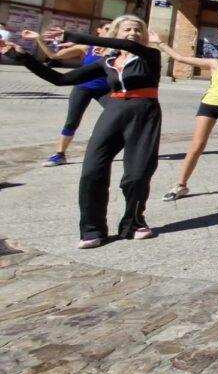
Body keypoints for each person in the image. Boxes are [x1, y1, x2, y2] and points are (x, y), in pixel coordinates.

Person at [1, 17, 162, 248]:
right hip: (114, 111)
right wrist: (22, 57)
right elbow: (60, 79)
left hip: (144, 113)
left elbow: (127, 46)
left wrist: (72, 36)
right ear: (116, 33)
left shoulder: (149, 55)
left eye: (138, 29)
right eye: (127, 29)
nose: (133, 32)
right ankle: (92, 229)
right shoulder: (106, 61)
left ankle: (133, 222)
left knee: (137, 175)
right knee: (92, 170)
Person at [157, 26, 218, 201]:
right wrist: (159, 43)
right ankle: (181, 185)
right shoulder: (215, 64)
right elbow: (180, 58)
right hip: (209, 107)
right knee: (197, 147)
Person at [23, 25, 112, 167]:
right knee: (72, 121)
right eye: (107, 28)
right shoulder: (86, 47)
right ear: (99, 30)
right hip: (82, 88)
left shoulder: (117, 49)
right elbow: (54, 56)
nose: (110, 31)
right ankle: (59, 155)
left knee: (120, 115)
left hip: (105, 90)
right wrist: (38, 39)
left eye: (113, 28)